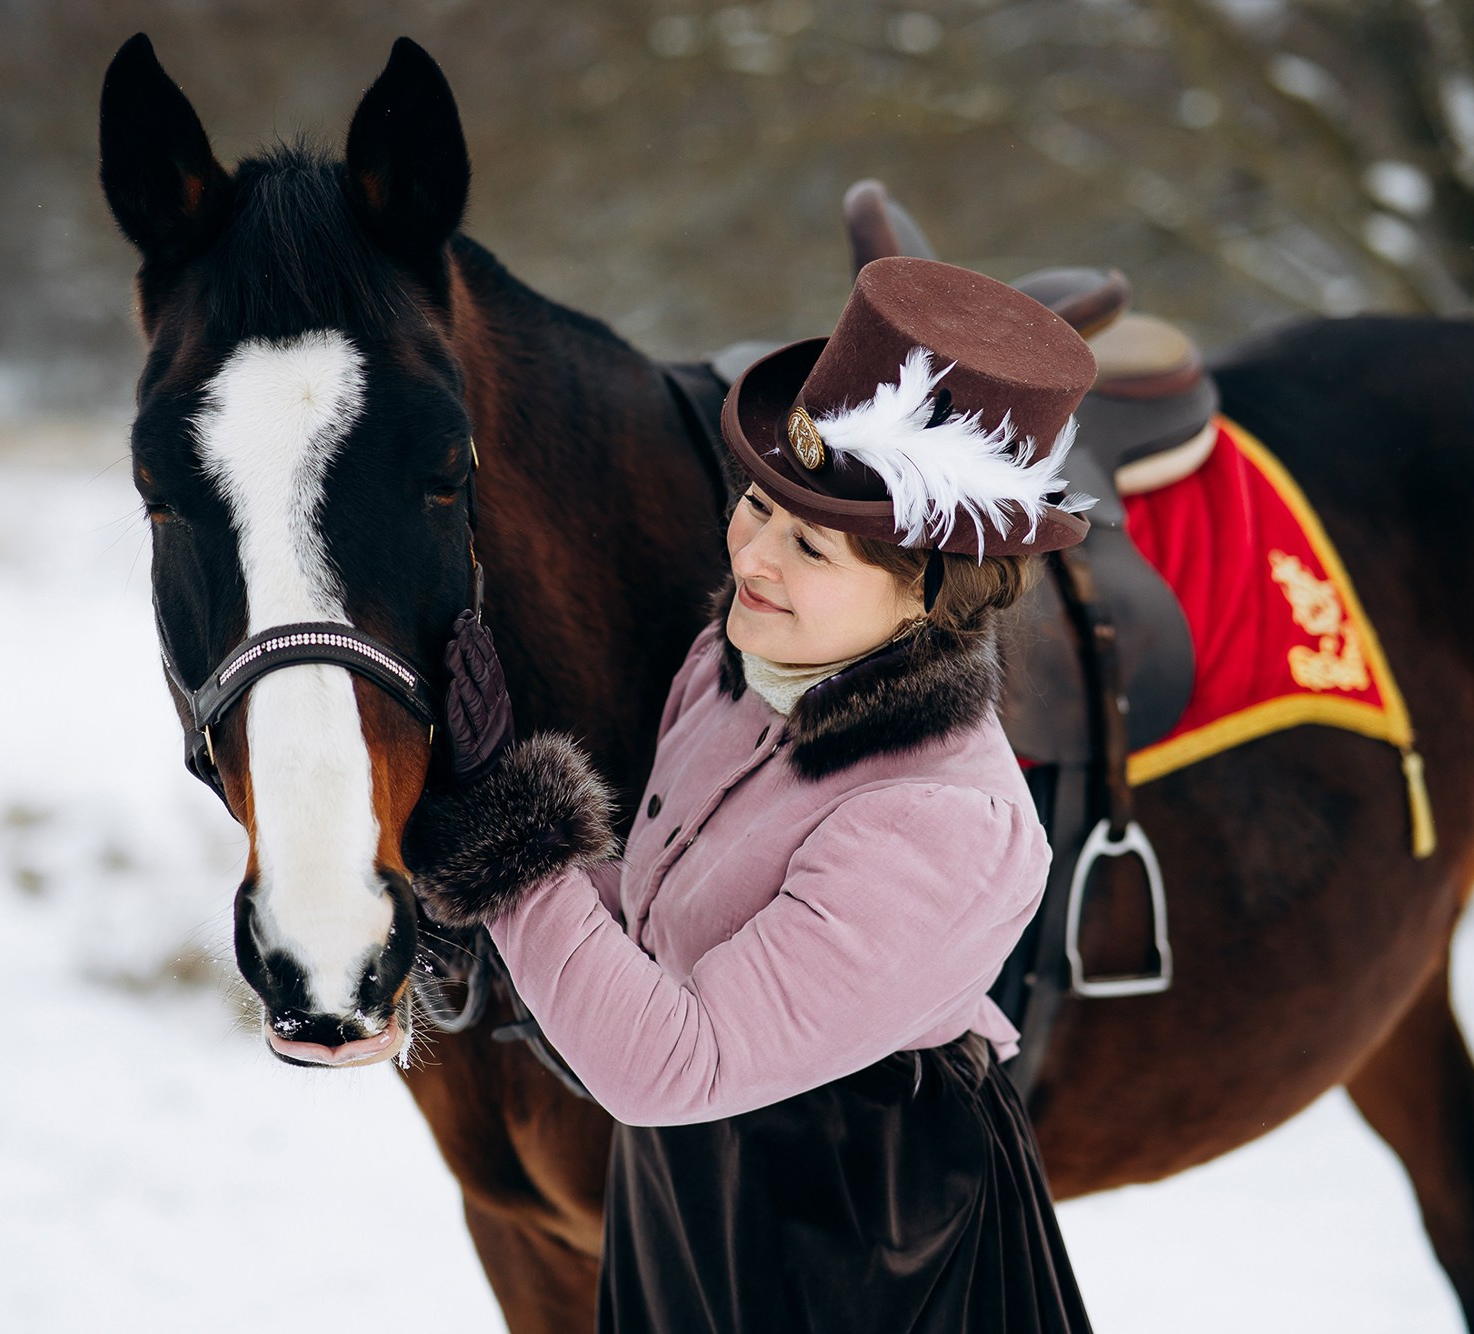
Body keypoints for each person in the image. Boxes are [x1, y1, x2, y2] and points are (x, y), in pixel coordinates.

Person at [406, 256, 1100, 1334]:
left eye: (809, 542)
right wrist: (465, 813)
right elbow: (648, 916)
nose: (752, 557)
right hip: (695, 1199)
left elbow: (667, 1062)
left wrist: (515, 845)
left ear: (924, 598)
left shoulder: (941, 820)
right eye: (756, 506)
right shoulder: (732, 670)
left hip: (856, 1253)